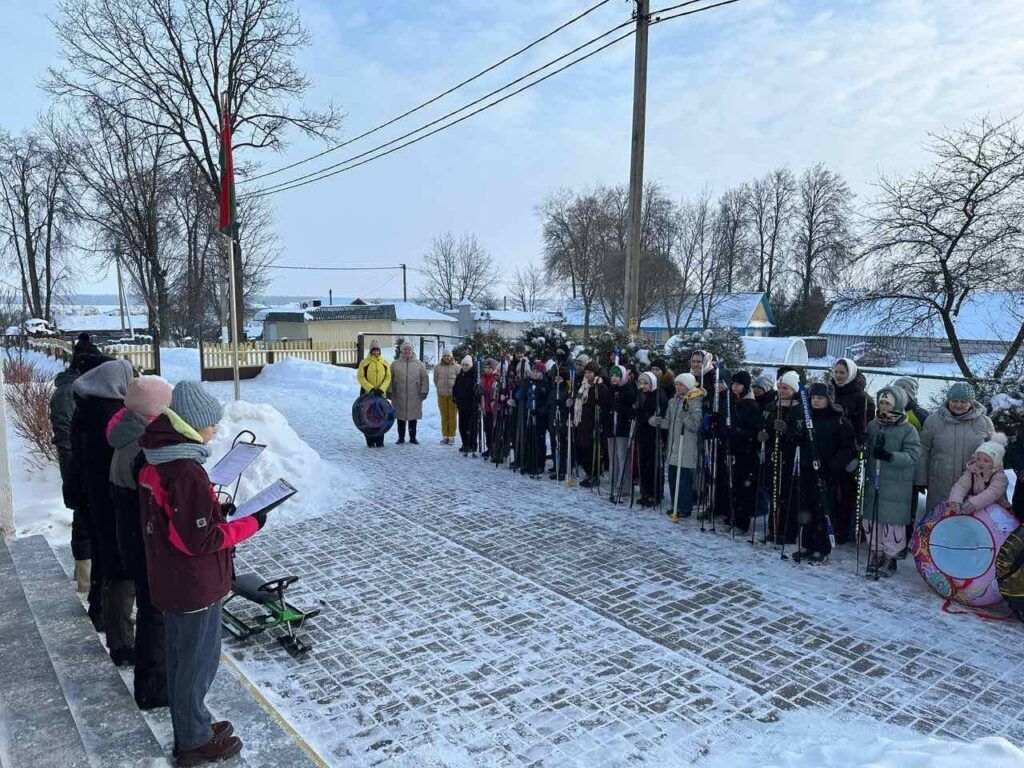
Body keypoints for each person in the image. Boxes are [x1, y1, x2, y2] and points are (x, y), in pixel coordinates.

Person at [138, 381, 263, 765]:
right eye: (211, 423)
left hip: (173, 579)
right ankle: (193, 741)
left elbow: (177, 522)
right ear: (191, 425)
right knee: (197, 664)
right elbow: (199, 541)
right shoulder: (184, 470)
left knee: (182, 660)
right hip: (193, 584)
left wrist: (210, 512)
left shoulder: (158, 458)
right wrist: (251, 523)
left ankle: (193, 724)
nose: (215, 429)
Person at [108, 375, 173, 708]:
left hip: (130, 534)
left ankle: (152, 681)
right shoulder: (141, 445)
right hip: (142, 539)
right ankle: (153, 687)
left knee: (151, 608)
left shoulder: (126, 433)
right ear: (154, 410)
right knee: (154, 611)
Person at [70, 358, 136, 660]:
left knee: (104, 559)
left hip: (92, 495)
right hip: (110, 498)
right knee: (118, 567)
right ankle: (121, 642)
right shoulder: (110, 414)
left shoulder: (86, 407)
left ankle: (100, 612)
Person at [51, 352, 109, 599]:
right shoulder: (70, 392)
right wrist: (74, 468)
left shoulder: (77, 390)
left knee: (85, 520)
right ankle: (86, 578)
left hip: (81, 464)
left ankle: (85, 574)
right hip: (80, 466)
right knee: (85, 520)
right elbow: (65, 435)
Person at [787, 381, 857, 564]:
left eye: (820, 398)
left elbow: (848, 449)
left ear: (829, 399)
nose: (816, 401)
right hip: (807, 469)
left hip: (827, 473)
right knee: (806, 507)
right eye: (813, 398)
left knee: (823, 510)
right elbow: (799, 441)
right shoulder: (807, 417)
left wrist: (832, 466)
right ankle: (807, 544)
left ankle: (821, 547)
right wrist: (796, 436)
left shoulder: (840, 421)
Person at [861, 386, 921, 577]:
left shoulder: (908, 429)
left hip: (896, 485)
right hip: (875, 480)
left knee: (892, 524)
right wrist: (863, 447)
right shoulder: (873, 425)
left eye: (888, 403)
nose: (883, 407)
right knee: (873, 520)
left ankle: (890, 557)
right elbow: (867, 448)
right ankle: (876, 553)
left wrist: (890, 456)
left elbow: (913, 456)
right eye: (881, 403)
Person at [916, 382, 994, 515]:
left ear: (971, 402)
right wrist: (921, 479)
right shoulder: (933, 421)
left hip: (973, 485)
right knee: (938, 521)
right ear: (948, 400)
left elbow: (994, 455)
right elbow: (923, 450)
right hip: (940, 484)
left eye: (963, 401)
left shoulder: (984, 422)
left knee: (968, 522)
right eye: (954, 400)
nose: (958, 405)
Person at [831, 358, 875, 545]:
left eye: (842, 372)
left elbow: (863, 428)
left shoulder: (862, 398)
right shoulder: (830, 392)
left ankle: (845, 531)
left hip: (849, 452)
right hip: (830, 448)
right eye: (836, 372)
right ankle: (830, 527)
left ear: (851, 374)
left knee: (847, 494)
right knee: (831, 492)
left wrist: (857, 452)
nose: (838, 376)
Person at [726, 370, 763, 533]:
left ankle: (742, 522)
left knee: (744, 487)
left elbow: (754, 430)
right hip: (733, 449)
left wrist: (739, 432)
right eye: (733, 384)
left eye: (739, 384)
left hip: (746, 452)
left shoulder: (751, 405)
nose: (735, 387)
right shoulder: (733, 401)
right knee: (733, 485)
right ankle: (732, 516)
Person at [663, 373, 704, 519]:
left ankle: (685, 507)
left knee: (684, 479)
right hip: (674, 444)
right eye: (676, 384)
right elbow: (668, 420)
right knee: (673, 477)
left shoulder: (695, 401)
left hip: (687, 446)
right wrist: (660, 422)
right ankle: (675, 504)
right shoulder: (673, 401)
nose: (678, 387)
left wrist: (685, 416)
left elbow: (695, 425)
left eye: (681, 384)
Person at [769, 370, 803, 543]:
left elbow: (800, 433)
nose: (782, 391)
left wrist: (787, 431)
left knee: (789, 494)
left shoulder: (799, 408)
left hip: (791, 456)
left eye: (786, 388)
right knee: (775, 492)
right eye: (780, 387)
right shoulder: (774, 405)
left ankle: (788, 532)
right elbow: (767, 426)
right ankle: (774, 528)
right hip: (776, 454)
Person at [948, 434, 1011, 511]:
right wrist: (955, 500)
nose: (981, 463)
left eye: (986, 461)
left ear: (995, 462)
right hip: (972, 506)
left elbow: (991, 493)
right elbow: (961, 486)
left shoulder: (999, 477)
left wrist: (973, 504)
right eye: (978, 459)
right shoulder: (972, 471)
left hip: (995, 508)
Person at [602, 364, 636, 498]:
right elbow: (605, 408)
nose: (614, 378)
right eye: (612, 375)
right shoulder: (610, 390)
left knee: (622, 458)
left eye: (617, 375)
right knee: (613, 457)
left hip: (622, 429)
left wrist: (620, 408)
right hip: (611, 428)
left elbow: (630, 410)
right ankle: (613, 482)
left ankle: (624, 486)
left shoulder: (628, 391)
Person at [571, 362, 605, 488]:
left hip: (592, 421)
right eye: (586, 372)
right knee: (581, 446)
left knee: (590, 448)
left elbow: (602, 403)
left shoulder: (600, 386)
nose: (587, 375)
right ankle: (588, 472)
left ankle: (594, 474)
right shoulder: (584, 385)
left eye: (590, 372)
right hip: (581, 420)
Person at [635, 371, 667, 507]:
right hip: (642, 433)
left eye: (646, 383)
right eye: (641, 383)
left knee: (653, 465)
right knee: (643, 464)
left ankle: (655, 494)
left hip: (654, 435)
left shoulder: (659, 396)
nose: (643, 386)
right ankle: (645, 492)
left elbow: (660, 415)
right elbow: (638, 410)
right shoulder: (642, 394)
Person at [389, 341, 429, 444]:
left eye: (409, 349)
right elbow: (389, 378)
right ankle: (401, 438)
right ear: (402, 351)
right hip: (399, 395)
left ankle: (413, 438)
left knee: (413, 418)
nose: (407, 351)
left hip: (415, 395)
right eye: (405, 349)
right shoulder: (395, 364)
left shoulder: (419, 364)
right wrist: (389, 391)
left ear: (412, 351)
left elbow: (424, 378)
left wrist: (424, 391)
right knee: (400, 418)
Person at [356, 339, 391, 448]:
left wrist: (381, 389)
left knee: (381, 417)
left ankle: (380, 439)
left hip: (381, 395)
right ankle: (370, 440)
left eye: (377, 350)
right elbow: (360, 377)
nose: (376, 352)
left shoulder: (385, 362)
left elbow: (388, 377)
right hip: (367, 394)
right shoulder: (364, 363)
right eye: (374, 350)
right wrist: (371, 388)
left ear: (380, 350)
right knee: (367, 417)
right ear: (371, 351)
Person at [520, 362, 550, 476]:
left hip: (540, 417)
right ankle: (529, 463)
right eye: (533, 371)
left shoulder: (545, 384)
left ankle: (539, 464)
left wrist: (539, 411)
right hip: (529, 414)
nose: (535, 373)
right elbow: (522, 394)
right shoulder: (530, 382)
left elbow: (547, 402)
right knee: (529, 439)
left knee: (539, 440)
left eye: (537, 371)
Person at [547, 366, 572, 481]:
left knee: (561, 445)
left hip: (562, 419)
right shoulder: (553, 389)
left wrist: (561, 404)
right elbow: (549, 403)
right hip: (553, 419)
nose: (557, 381)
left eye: (560, 379)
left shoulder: (566, 390)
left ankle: (562, 469)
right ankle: (555, 466)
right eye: (556, 378)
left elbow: (568, 405)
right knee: (554, 444)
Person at [452, 356, 479, 454]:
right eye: (463, 365)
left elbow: (476, 390)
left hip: (471, 405)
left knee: (471, 425)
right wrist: (454, 398)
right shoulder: (460, 375)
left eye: (467, 365)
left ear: (471, 366)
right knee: (462, 425)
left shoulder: (474, 376)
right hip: (461, 405)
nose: (465, 367)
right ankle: (464, 443)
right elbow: (455, 388)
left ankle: (472, 444)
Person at [433, 352, 459, 445]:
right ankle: (445, 436)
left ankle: (451, 436)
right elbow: (435, 379)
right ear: (442, 357)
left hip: (453, 396)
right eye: (445, 356)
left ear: (451, 356)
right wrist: (439, 387)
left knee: (452, 416)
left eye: (448, 356)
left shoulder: (457, 367)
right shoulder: (438, 367)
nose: (446, 357)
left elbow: (459, 380)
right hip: (442, 395)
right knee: (444, 416)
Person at [479, 358, 500, 459]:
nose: (487, 369)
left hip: (494, 408)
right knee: (487, 429)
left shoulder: (496, 378)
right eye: (486, 367)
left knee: (493, 429)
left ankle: (495, 449)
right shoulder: (482, 378)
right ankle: (489, 448)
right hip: (485, 408)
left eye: (490, 368)